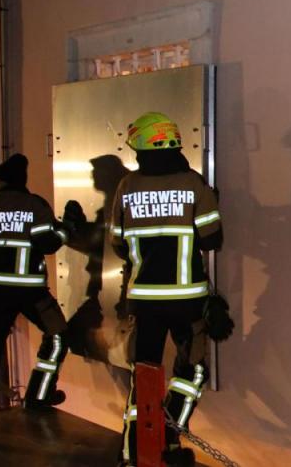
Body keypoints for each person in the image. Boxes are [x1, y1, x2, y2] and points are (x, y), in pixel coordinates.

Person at [110, 112, 223, 467]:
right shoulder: (193, 183)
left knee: (143, 378)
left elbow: (117, 244)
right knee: (193, 371)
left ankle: (133, 454)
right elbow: (213, 239)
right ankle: (170, 433)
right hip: (188, 301)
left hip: (143, 302)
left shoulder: (126, 187)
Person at [0, 153, 71, 409]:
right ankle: (39, 395)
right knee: (58, 336)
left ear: (1, 182)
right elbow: (48, 244)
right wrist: (66, 227)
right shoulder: (34, 205)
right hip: (30, 291)